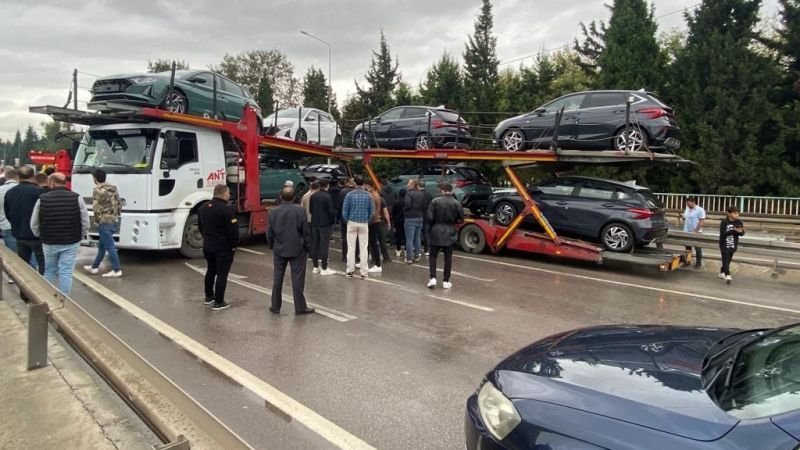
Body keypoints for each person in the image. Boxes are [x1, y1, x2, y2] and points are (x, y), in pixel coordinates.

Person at [30, 173, 89, 294]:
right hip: (71, 241)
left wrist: (39, 235)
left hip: (49, 241)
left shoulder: (42, 199)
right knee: (66, 272)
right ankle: (64, 300)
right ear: (65, 183)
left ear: (51, 183)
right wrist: (80, 235)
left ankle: (48, 298)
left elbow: (34, 223)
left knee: (49, 271)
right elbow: (85, 221)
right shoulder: (76, 198)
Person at [267, 187, 315, 315]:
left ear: (280, 197)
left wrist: (272, 245)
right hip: (297, 248)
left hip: (279, 248)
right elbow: (306, 231)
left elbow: (270, 232)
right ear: (294, 198)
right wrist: (307, 246)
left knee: (277, 278)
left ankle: (275, 306)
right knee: (298, 279)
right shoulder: (300, 211)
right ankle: (300, 307)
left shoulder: (273, 212)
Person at [198, 184, 238, 311]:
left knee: (210, 270)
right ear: (224, 194)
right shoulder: (226, 209)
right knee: (222, 274)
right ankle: (219, 301)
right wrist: (234, 245)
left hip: (208, 246)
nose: (229, 195)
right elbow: (232, 231)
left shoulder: (203, 208)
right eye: (228, 193)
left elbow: (200, 226)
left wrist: (207, 238)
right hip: (223, 248)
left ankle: (209, 296)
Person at [4, 165, 45, 274]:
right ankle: (41, 283)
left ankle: (25, 285)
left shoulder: (10, 192)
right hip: (38, 235)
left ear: (18, 177)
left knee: (23, 265)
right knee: (42, 263)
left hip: (19, 233)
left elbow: (8, 213)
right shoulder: (40, 192)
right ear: (33, 176)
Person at [83, 169, 123, 278]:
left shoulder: (97, 190)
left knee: (110, 246)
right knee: (102, 245)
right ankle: (94, 267)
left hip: (104, 221)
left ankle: (116, 269)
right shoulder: (113, 188)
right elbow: (119, 204)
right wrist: (115, 215)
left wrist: (97, 221)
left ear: (95, 178)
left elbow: (96, 208)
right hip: (113, 219)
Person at [426, 182, 464, 289]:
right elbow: (461, 219)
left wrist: (432, 226)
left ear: (442, 190)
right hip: (450, 231)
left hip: (436, 230)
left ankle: (433, 278)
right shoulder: (457, 203)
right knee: (448, 258)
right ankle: (446, 280)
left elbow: (429, 217)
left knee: (433, 256)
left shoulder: (435, 201)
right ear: (451, 191)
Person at [342, 176, 373, 279]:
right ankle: (364, 272)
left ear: (355, 183)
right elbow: (372, 211)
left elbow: (344, 210)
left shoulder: (349, 195)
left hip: (352, 222)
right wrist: (367, 221)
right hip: (364, 223)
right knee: (364, 247)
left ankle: (349, 270)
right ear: (363, 183)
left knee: (351, 247)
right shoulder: (369, 195)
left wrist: (347, 220)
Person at [309, 178, 337, 275]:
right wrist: (332, 221)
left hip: (315, 223)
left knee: (315, 244)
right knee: (324, 246)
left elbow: (310, 210)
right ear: (327, 186)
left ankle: (315, 267)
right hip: (325, 224)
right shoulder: (327, 197)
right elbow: (331, 211)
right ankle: (324, 267)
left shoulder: (313, 196)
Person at [367, 182, 391, 273]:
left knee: (372, 241)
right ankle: (386, 257)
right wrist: (388, 222)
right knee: (382, 241)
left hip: (373, 221)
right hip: (381, 222)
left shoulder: (371, 198)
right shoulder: (382, 199)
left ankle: (374, 259)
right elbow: (385, 212)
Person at [719, 206, 745, 284]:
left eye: (737, 213)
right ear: (729, 214)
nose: (737, 215)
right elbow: (723, 233)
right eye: (735, 213)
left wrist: (740, 231)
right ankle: (727, 274)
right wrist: (733, 231)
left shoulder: (739, 222)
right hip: (724, 244)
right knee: (725, 259)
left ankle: (722, 272)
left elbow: (742, 233)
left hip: (733, 244)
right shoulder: (724, 222)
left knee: (728, 260)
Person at [679, 196, 706, 269]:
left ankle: (698, 263)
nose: (687, 205)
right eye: (687, 204)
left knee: (697, 248)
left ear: (693, 202)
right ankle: (687, 261)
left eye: (688, 203)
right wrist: (682, 217)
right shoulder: (687, 209)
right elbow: (685, 218)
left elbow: (702, 221)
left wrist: (696, 231)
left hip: (696, 232)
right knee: (688, 248)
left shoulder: (700, 210)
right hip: (687, 231)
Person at [403, 179, 426, 264]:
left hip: (410, 217)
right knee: (417, 238)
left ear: (412, 185)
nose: (407, 185)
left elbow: (407, 204)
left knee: (409, 239)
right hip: (419, 217)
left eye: (408, 184)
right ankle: (417, 256)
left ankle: (409, 257)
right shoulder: (421, 194)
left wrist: (404, 209)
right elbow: (424, 205)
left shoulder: (409, 193)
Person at [0, 167, 19, 251]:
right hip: (24, 226)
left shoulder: (0, 190)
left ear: (6, 177)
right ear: (17, 176)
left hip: (6, 225)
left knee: (13, 254)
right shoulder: (23, 188)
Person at [337, 177, 356, 261]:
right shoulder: (357, 192)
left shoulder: (343, 191)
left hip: (344, 218)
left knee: (345, 237)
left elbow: (339, 205)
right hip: (355, 217)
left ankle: (345, 255)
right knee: (356, 237)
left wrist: (339, 217)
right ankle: (355, 256)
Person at [419, 180, 433, 256]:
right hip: (427, 216)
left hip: (419, 215)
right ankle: (426, 250)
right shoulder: (429, 194)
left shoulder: (418, 194)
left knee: (418, 234)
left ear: (418, 186)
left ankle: (417, 250)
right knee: (426, 234)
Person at [391, 188, 406, 258]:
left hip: (397, 221)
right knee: (406, 236)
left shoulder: (396, 202)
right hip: (405, 220)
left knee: (398, 236)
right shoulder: (407, 201)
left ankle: (398, 250)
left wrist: (394, 219)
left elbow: (393, 212)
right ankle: (406, 250)